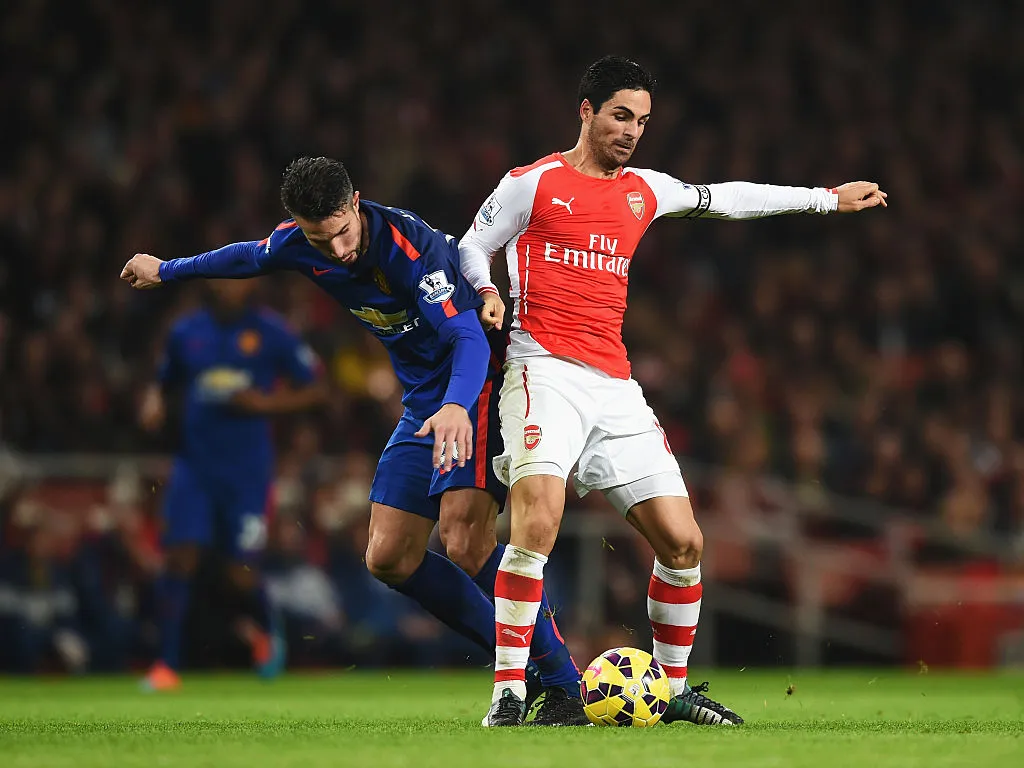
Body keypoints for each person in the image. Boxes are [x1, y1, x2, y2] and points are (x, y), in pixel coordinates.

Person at [459, 55, 888, 726]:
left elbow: (730, 197)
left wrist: (826, 198)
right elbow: (469, 246)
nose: (632, 131)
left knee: (685, 544)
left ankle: (675, 688)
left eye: (643, 121)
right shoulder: (531, 184)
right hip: (540, 370)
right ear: (587, 111)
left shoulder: (646, 190)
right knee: (537, 522)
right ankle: (509, 694)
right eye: (621, 115)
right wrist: (486, 291)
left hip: (615, 385)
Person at [120, 157, 586, 724]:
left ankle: (564, 683)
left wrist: (457, 407)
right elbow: (247, 257)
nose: (337, 249)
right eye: (320, 238)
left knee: (464, 542)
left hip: (477, 386)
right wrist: (167, 270)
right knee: (389, 557)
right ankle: (527, 664)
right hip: (424, 404)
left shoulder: (410, 250)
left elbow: (467, 335)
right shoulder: (300, 243)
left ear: (357, 202)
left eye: (342, 231)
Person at [138, 279, 327, 690]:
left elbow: (315, 388)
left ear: (250, 284)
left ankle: (266, 632)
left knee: (239, 569)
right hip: (195, 466)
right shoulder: (186, 331)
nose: (228, 286)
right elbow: (165, 378)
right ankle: (166, 664)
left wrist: (265, 404)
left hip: (247, 472)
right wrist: (154, 398)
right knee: (179, 556)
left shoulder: (270, 331)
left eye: (236, 278)